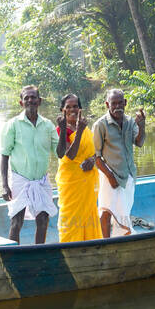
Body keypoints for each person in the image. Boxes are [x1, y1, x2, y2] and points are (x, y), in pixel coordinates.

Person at [0, 85, 61, 244]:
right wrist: (5, 185)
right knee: (16, 222)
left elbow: (60, 153)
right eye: (26, 98)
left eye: (33, 97)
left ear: (39, 101)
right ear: (21, 103)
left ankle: (38, 253)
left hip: (41, 180)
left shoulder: (47, 125)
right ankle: (13, 254)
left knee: (43, 220)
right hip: (20, 180)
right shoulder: (13, 124)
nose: (30, 100)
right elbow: (4, 155)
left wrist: (62, 129)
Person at [92, 89, 145, 238]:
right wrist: (110, 176)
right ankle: (105, 242)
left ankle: (120, 239)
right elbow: (95, 156)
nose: (117, 107)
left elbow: (139, 142)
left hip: (128, 175)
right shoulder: (100, 125)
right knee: (106, 210)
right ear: (107, 104)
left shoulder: (130, 122)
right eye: (113, 103)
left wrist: (142, 126)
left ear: (125, 103)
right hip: (109, 175)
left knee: (124, 212)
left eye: (120, 103)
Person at [55, 94, 101, 242]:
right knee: (71, 215)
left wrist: (92, 160)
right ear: (62, 110)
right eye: (68, 107)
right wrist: (79, 131)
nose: (72, 110)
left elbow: (94, 151)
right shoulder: (61, 130)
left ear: (80, 108)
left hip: (87, 182)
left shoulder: (85, 128)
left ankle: (90, 243)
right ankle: (70, 244)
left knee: (88, 213)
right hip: (71, 183)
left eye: (75, 106)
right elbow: (70, 155)